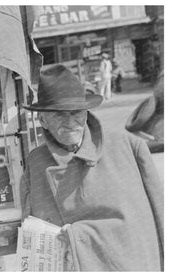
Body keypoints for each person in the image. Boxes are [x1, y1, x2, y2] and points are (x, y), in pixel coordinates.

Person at [21, 64, 163, 271]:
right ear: (42, 119)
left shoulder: (128, 146)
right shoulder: (36, 163)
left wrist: (78, 236)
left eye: (77, 113)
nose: (70, 122)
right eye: (59, 115)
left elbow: (159, 213)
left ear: (86, 113)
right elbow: (33, 230)